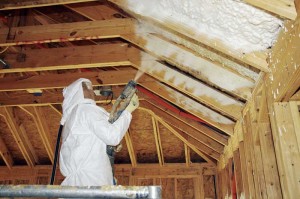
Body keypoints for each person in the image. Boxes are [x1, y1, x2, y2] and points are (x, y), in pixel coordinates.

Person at [59, 78, 139, 186]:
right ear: (78, 93)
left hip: (81, 185)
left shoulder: (72, 118)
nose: (92, 92)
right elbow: (112, 136)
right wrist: (127, 112)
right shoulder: (85, 110)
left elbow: (91, 147)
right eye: (87, 88)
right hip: (91, 182)